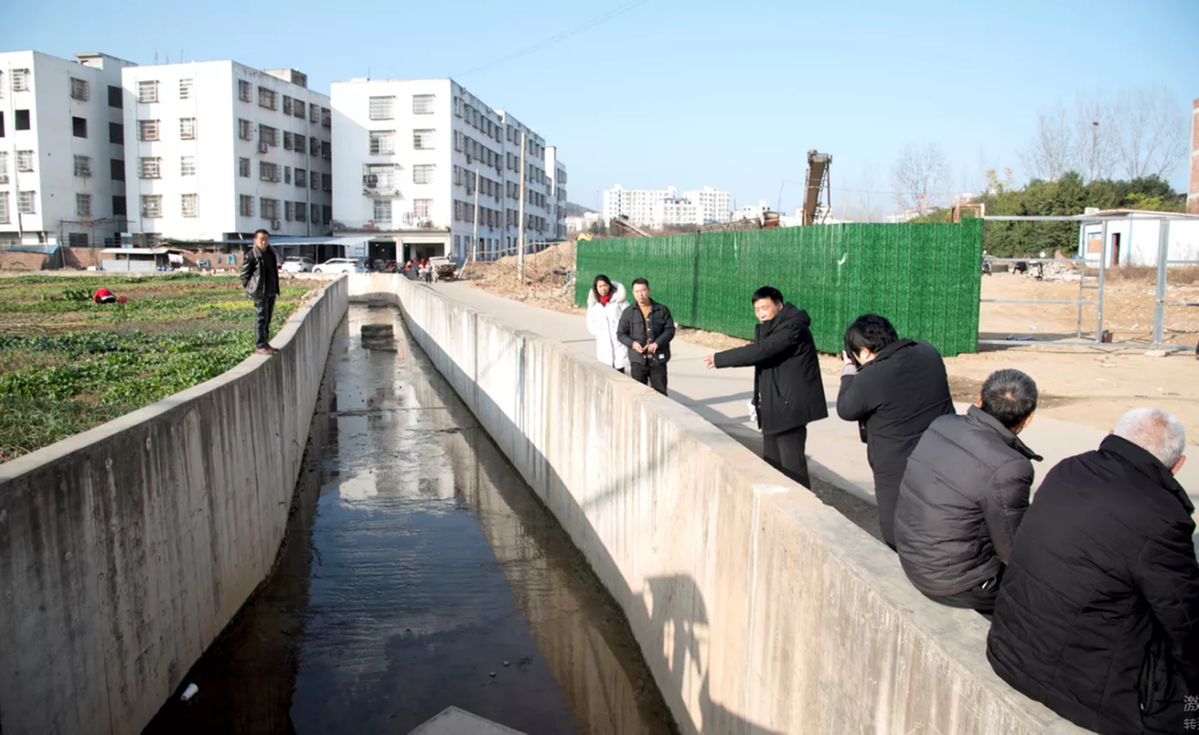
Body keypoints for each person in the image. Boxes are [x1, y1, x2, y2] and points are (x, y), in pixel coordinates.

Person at [987, 408, 1198, 734]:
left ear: (1112, 438)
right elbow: (1185, 620)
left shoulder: (1069, 468)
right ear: (1177, 466)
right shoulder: (1163, 517)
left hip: (1010, 652)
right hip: (1085, 694)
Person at [894, 369, 1041, 614]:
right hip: (954, 583)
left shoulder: (943, 424)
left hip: (912, 555)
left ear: (980, 401)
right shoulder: (1010, 466)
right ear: (1028, 418)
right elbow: (1013, 548)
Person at [836, 314, 954, 549]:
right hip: (944, 453)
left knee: (897, 531)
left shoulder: (871, 377)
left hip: (896, 465)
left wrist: (849, 372)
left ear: (864, 352)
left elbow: (846, 409)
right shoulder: (928, 352)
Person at [702, 286, 827, 488]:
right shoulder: (771, 328)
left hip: (789, 408)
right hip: (773, 405)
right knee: (772, 464)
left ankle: (799, 508)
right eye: (757, 309)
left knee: (792, 468)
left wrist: (719, 359)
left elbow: (762, 351)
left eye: (765, 308)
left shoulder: (793, 328)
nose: (760, 313)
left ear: (779, 304)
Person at [616, 278, 675, 396]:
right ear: (633, 293)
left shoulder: (662, 310)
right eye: (637, 291)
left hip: (658, 360)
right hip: (638, 360)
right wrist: (633, 344)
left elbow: (670, 330)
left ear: (649, 291)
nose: (640, 294)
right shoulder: (628, 312)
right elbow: (621, 334)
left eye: (643, 290)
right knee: (639, 394)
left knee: (660, 393)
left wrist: (657, 343)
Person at [240, 229, 281, 355]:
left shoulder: (270, 253)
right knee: (261, 318)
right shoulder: (252, 255)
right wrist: (251, 289)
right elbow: (244, 276)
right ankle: (260, 345)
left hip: (271, 291)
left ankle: (265, 342)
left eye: (266, 240)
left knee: (267, 318)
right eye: (261, 240)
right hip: (260, 292)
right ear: (255, 240)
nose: (263, 242)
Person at [586, 275, 630, 373]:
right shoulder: (594, 303)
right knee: (605, 372)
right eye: (600, 286)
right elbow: (590, 322)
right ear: (596, 288)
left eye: (605, 285)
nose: (602, 288)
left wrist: (624, 333)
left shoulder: (619, 300)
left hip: (619, 342)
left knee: (619, 371)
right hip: (603, 343)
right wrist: (598, 333)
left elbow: (629, 317)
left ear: (609, 286)